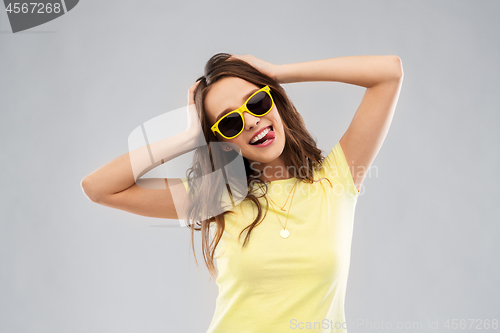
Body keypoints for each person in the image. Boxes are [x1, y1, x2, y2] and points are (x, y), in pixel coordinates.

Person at [81, 52, 403, 332]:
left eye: (258, 102)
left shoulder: (335, 180)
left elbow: (388, 73)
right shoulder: (217, 196)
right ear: (221, 141)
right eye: (230, 123)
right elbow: (99, 188)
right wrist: (189, 135)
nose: (250, 121)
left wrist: (278, 73)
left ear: (275, 99)